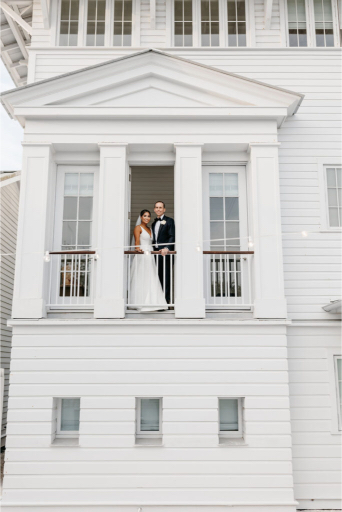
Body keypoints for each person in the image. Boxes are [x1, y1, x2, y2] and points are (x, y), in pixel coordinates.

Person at [129, 209, 168, 312]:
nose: (147, 218)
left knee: (151, 277)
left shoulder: (149, 229)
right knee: (143, 277)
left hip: (150, 255)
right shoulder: (138, 228)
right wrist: (138, 249)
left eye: (148, 216)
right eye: (145, 216)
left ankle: (154, 302)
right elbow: (137, 243)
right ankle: (141, 302)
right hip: (142, 255)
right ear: (141, 217)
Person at [151, 201, 175, 304]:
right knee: (157, 277)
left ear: (164, 209)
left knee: (166, 277)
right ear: (154, 209)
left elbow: (172, 236)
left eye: (160, 207)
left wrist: (167, 248)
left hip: (165, 253)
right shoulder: (153, 223)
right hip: (155, 253)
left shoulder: (169, 221)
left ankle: (166, 301)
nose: (158, 209)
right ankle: (158, 301)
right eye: (157, 207)